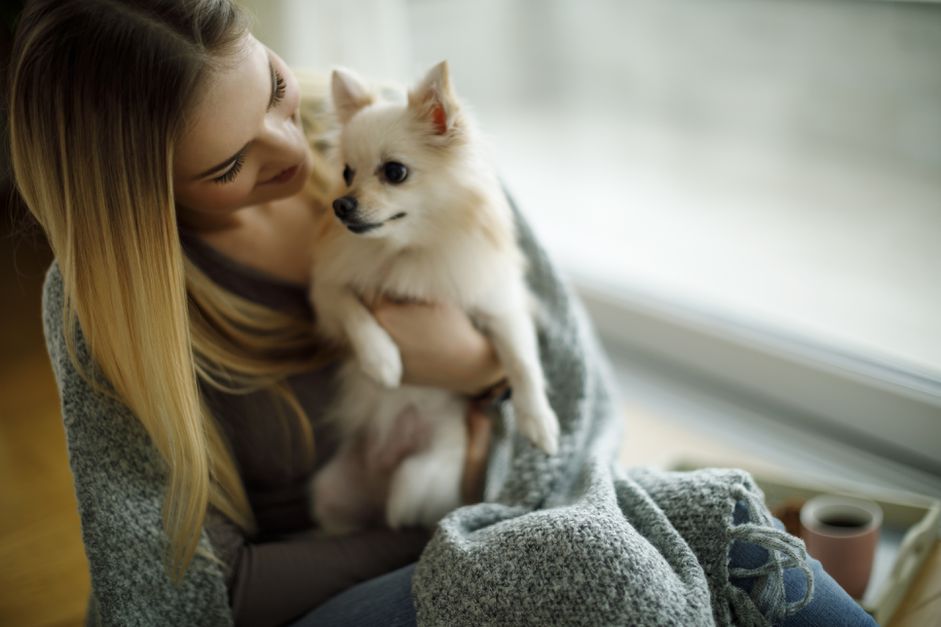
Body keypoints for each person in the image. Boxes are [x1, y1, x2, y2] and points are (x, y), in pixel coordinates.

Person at [7, 1, 877, 626]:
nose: (295, 145)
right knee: (587, 565)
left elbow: (577, 391)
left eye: (272, 86)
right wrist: (482, 531)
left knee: (720, 515)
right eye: (229, 163)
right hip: (331, 580)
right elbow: (178, 600)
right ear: (139, 190)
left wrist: (480, 368)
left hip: (496, 490)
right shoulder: (102, 311)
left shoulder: (377, 121)